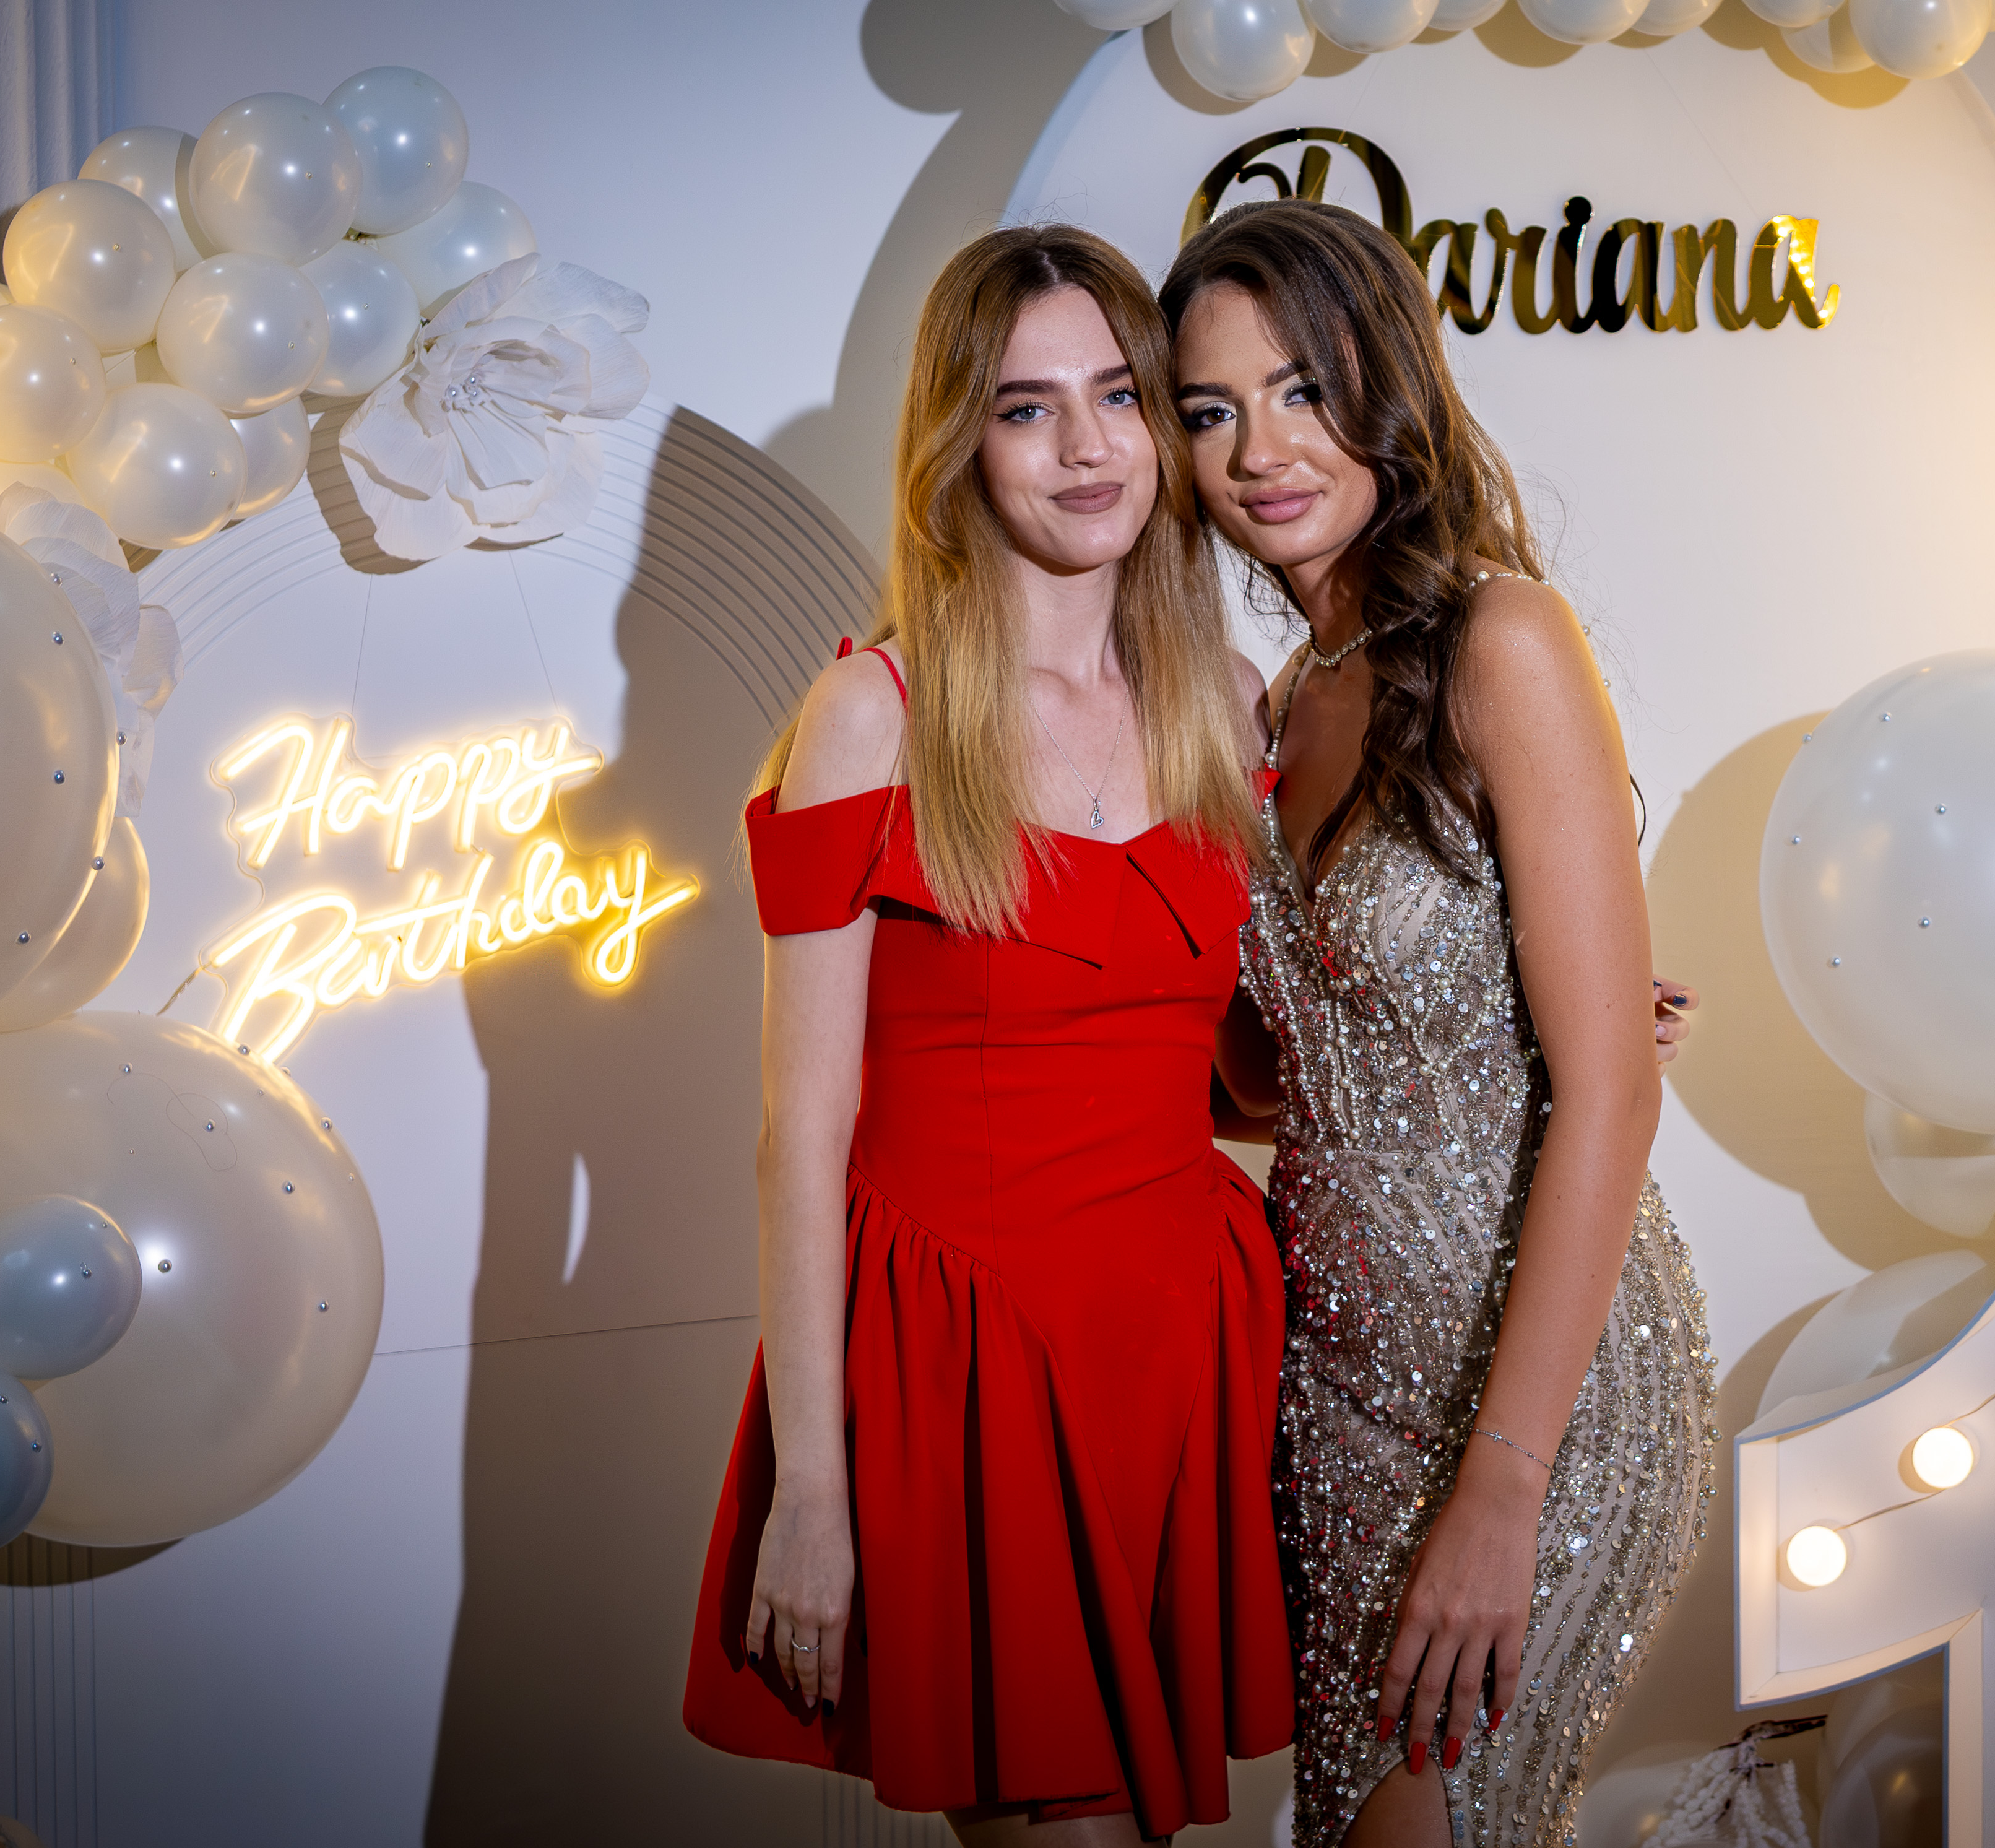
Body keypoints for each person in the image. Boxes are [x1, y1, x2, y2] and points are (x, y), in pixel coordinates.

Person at [681, 223, 1289, 1846]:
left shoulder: (1229, 702)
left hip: (1182, 1348)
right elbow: (801, 1132)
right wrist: (814, 1490)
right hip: (969, 1372)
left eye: (1119, 396)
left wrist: (1519, 1043)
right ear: (962, 443)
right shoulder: (873, 714)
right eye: (1028, 409)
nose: (1087, 447)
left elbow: (1231, 1069)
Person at [1165, 200, 1721, 1848]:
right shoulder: (1280, 700)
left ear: (1386, 385)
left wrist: (1502, 1486)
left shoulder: (1504, 638)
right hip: (1334, 1389)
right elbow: (1275, 1084)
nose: (1261, 451)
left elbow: (1611, 1101)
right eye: (1210, 410)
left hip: (1532, 1397)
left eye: (1301, 389)